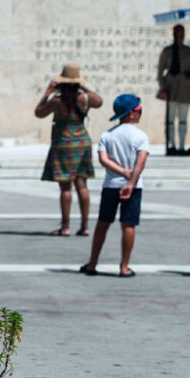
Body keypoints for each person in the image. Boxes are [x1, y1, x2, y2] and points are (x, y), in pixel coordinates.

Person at [80, 95, 148, 278]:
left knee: (103, 224)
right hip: (133, 187)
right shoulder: (140, 136)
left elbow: (103, 160)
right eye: (139, 110)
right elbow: (141, 163)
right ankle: (124, 266)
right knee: (128, 225)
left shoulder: (107, 135)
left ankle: (92, 263)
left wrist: (121, 172)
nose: (141, 114)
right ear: (131, 114)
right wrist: (131, 180)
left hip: (111, 185)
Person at [36, 63, 103, 237]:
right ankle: (85, 226)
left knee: (66, 187)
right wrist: (82, 86)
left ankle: (65, 226)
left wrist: (47, 92)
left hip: (63, 142)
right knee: (82, 185)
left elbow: (38, 112)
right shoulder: (84, 98)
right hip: (81, 141)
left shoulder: (56, 101)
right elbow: (99, 101)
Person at [157, 24, 190, 156]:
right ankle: (172, 145)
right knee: (170, 120)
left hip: (186, 88)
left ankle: (181, 146)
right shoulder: (167, 51)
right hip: (171, 88)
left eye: (182, 33)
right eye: (178, 33)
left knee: (182, 120)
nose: (180, 36)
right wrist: (162, 88)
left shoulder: (189, 51)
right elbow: (160, 71)